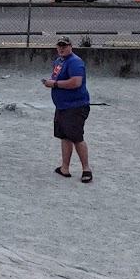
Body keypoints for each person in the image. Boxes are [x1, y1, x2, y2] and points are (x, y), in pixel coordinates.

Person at [43, 36, 93, 183]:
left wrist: (55, 84)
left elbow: (76, 82)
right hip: (62, 106)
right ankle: (65, 168)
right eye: (59, 45)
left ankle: (86, 169)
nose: (62, 48)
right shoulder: (58, 62)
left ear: (71, 46)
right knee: (64, 136)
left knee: (77, 138)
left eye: (64, 45)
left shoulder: (75, 62)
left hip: (75, 106)